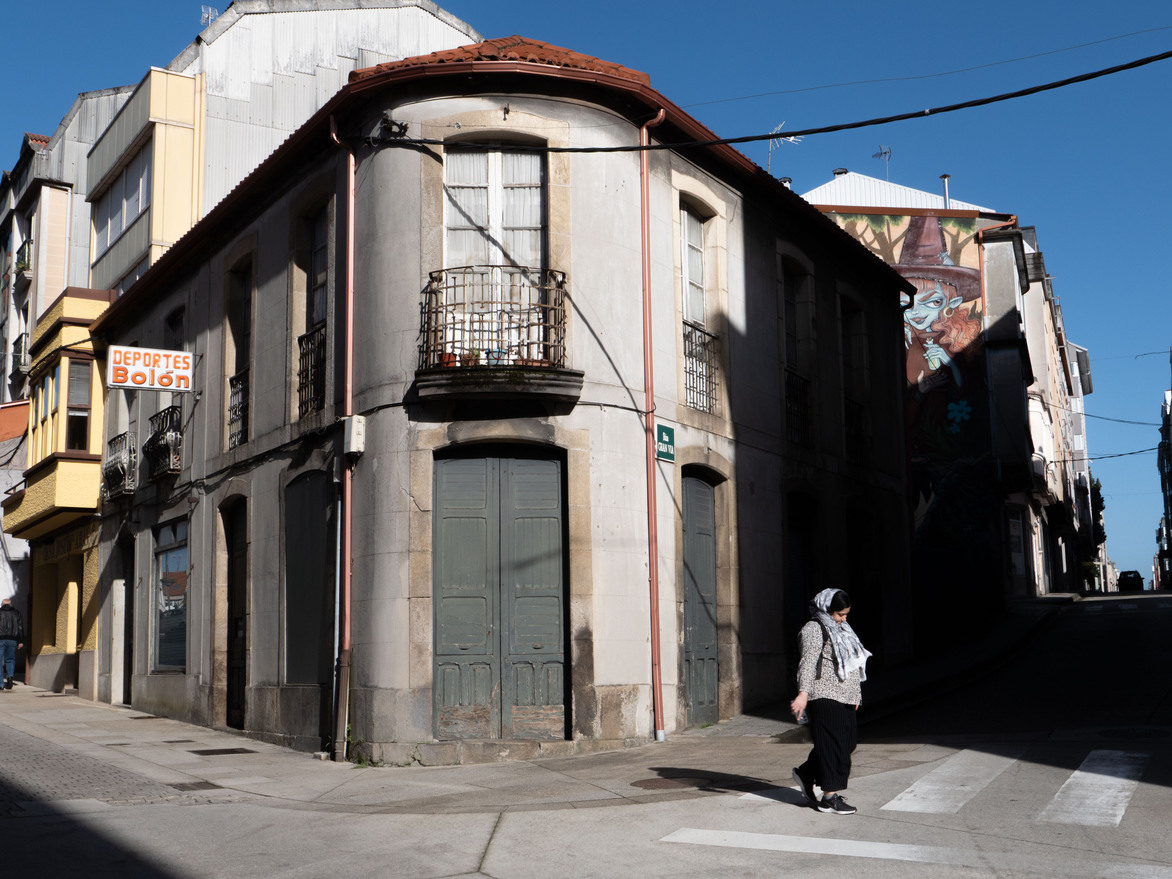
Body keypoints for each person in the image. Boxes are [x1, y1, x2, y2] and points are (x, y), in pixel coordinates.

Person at [789, 588, 871, 815]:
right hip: (824, 694)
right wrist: (803, 693)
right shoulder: (814, 628)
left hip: (845, 696)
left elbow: (853, 664)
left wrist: (855, 695)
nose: (843, 618)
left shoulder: (843, 628)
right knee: (833, 745)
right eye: (839, 614)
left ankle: (806, 774)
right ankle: (829, 798)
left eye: (846, 614)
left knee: (848, 743)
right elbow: (807, 663)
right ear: (826, 609)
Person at [0, 598, 24, 690]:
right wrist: (20, 641)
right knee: (10, 659)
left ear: (2, 604)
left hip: (0, 639)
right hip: (13, 640)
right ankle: (10, 676)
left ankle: (1, 684)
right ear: (10, 604)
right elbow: (20, 627)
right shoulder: (16, 613)